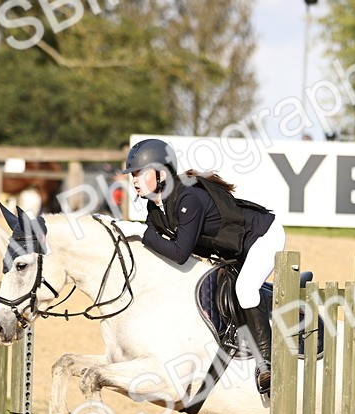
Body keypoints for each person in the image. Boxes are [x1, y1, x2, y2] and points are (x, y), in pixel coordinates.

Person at [115, 138, 285, 396]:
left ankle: (267, 363)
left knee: (245, 289)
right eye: (133, 174)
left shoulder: (188, 199)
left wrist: (140, 231)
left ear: (162, 173)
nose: (134, 179)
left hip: (263, 237)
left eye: (140, 173)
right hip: (234, 249)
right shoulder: (156, 207)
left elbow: (180, 254)